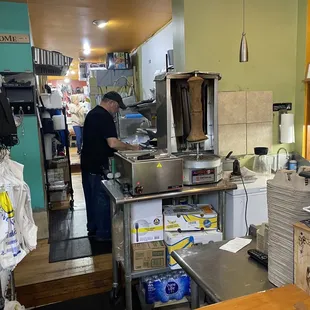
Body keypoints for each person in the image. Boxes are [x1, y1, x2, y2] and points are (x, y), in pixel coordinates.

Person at [81, 91, 139, 241]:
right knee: (101, 200)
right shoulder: (104, 116)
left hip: (88, 165)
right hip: (98, 167)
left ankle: (93, 229)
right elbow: (112, 143)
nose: (117, 111)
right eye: (118, 107)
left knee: (91, 199)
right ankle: (104, 235)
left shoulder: (93, 113)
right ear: (112, 103)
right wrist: (132, 148)